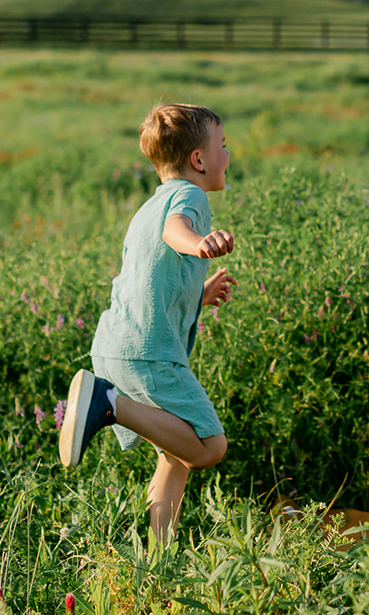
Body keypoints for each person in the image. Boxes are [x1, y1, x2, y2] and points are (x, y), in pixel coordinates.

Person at [59, 103, 239, 545]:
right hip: (147, 350)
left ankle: (159, 562)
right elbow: (175, 233)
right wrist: (200, 245)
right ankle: (108, 403)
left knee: (175, 457)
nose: (228, 155)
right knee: (209, 446)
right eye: (222, 146)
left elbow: (149, 272)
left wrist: (199, 291)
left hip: (118, 343)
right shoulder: (189, 197)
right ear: (198, 159)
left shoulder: (149, 206)